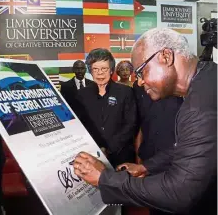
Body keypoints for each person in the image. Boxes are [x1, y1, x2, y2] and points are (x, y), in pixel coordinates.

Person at [73, 28, 217, 215]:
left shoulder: (198, 107)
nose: (139, 82)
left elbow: (179, 194)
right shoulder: (208, 76)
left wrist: (104, 179)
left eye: (141, 72)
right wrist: (146, 166)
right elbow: (189, 146)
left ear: (165, 56)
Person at [75, 48, 137, 168]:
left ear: (111, 70)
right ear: (90, 71)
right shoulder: (81, 94)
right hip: (92, 156)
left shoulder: (126, 92)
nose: (100, 73)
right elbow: (80, 125)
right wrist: (97, 148)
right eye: (95, 69)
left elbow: (131, 124)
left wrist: (109, 149)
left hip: (122, 156)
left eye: (104, 69)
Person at [133, 80, 183, 164]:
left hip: (171, 161)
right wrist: (138, 157)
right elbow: (141, 128)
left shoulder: (181, 98)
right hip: (147, 157)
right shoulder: (142, 95)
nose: (141, 81)